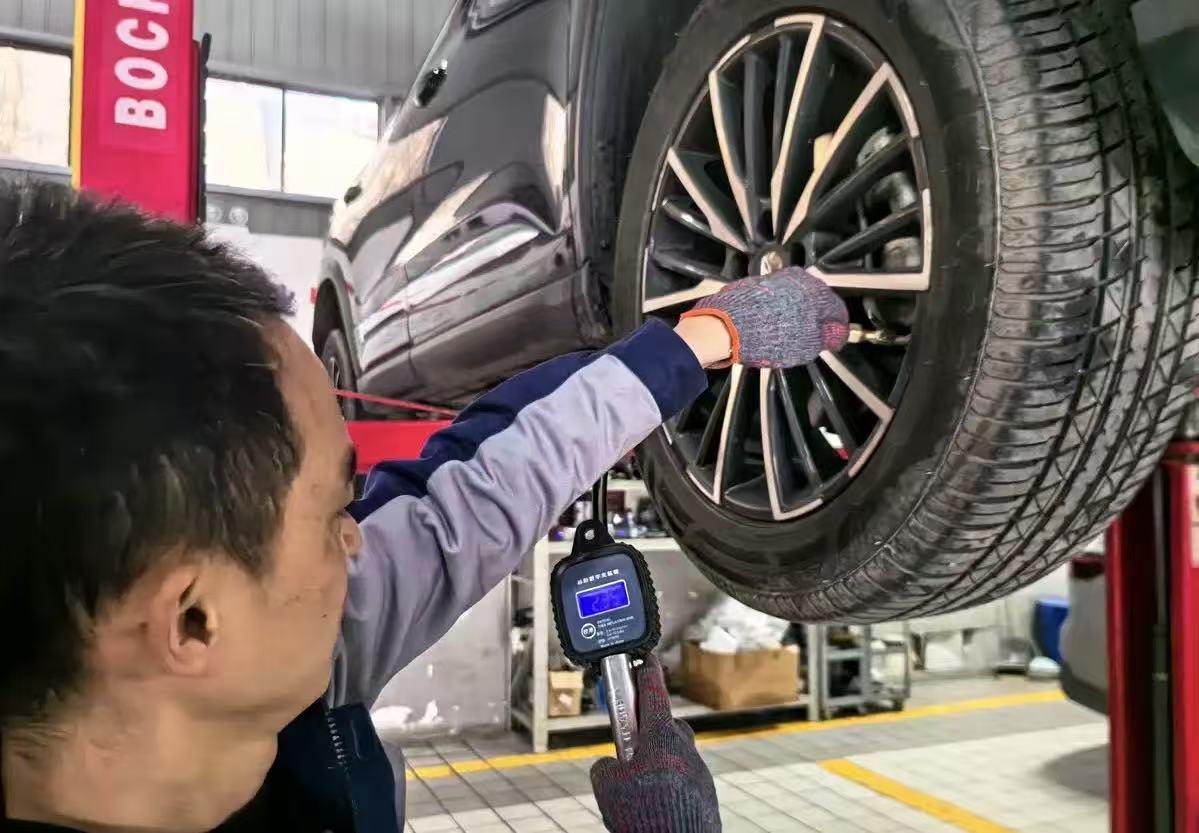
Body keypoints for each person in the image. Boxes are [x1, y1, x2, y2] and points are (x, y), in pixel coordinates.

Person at [0, 181, 848, 832]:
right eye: (337, 511)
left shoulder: (263, 659)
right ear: (191, 619)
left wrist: (701, 338)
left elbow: (473, 495)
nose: (361, 540)